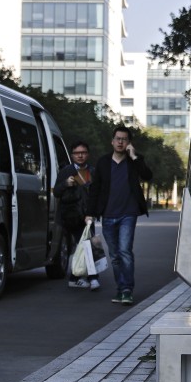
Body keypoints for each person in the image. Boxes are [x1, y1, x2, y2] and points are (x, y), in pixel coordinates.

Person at [86, 126, 153, 305]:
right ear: (112, 141)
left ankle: (127, 290)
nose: (120, 142)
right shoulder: (103, 162)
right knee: (115, 255)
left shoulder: (134, 161)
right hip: (108, 215)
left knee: (124, 251)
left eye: (124, 139)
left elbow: (147, 175)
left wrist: (135, 157)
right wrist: (90, 213)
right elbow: (95, 189)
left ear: (128, 143)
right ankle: (120, 287)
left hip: (128, 214)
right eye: (118, 138)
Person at [53, 141, 100, 290]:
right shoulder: (66, 171)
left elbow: (97, 195)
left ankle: (82, 277)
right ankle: (86, 278)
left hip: (87, 216)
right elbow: (56, 192)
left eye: (83, 152)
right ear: (72, 155)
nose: (80, 155)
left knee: (87, 246)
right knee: (83, 246)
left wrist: (92, 214)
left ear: (88, 154)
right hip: (69, 216)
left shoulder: (93, 172)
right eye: (77, 153)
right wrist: (65, 183)